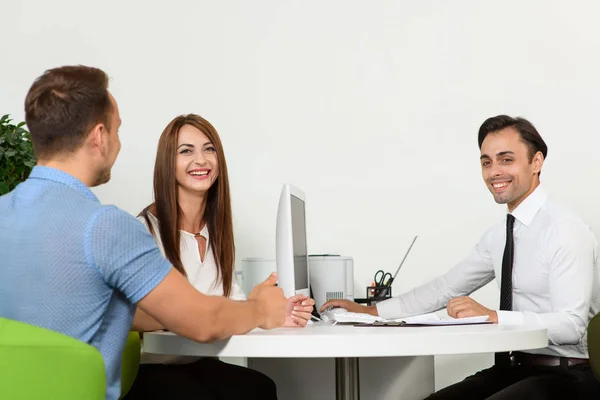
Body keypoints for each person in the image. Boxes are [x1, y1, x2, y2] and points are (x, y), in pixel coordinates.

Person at [0, 65, 288, 400]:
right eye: (117, 130)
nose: (119, 144)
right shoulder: (108, 227)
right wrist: (261, 309)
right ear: (99, 136)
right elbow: (203, 322)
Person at [321, 115, 600, 399]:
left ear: (536, 162)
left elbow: (571, 326)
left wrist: (493, 317)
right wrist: (373, 313)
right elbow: (446, 287)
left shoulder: (564, 228)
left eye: (506, 159)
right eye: (486, 162)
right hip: (515, 368)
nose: (494, 172)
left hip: (566, 375)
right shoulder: (501, 235)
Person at [124, 114, 315, 399]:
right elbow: (129, 313)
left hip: (201, 362)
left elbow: (227, 304)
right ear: (167, 163)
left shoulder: (216, 233)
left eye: (209, 149)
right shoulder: (144, 231)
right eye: (186, 151)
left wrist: (268, 312)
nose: (201, 160)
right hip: (152, 370)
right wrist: (193, 315)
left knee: (260, 389)